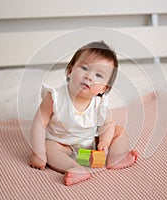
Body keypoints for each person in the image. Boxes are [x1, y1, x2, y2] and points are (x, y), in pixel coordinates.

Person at [29, 41, 138, 186]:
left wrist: (104, 142)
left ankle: (115, 157)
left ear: (104, 89)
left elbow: (107, 124)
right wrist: (39, 153)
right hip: (63, 146)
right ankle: (74, 167)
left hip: (90, 148)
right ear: (70, 70)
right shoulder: (55, 98)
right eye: (84, 68)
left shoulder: (100, 105)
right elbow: (38, 123)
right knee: (49, 147)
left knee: (119, 131)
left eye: (98, 75)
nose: (89, 77)